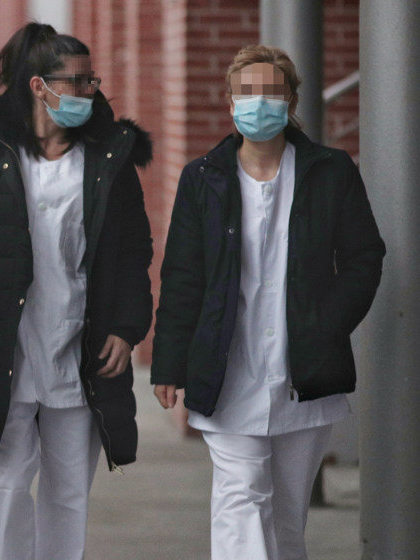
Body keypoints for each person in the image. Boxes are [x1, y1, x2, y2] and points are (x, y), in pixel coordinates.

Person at [151, 44, 385, 560]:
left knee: (285, 521)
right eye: (248, 92)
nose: (259, 103)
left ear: (292, 99)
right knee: (241, 500)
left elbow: (365, 256)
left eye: (271, 92)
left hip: (305, 367)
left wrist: (329, 323)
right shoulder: (203, 179)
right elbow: (183, 275)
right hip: (226, 365)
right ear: (230, 101)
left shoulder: (331, 171)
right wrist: (168, 360)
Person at [0, 23, 153, 560]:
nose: (90, 91)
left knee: (68, 489)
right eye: (77, 81)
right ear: (39, 86)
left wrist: (128, 329)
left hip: (81, 344)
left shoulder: (107, 158)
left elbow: (132, 250)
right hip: (1, 341)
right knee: (10, 480)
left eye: (92, 80)